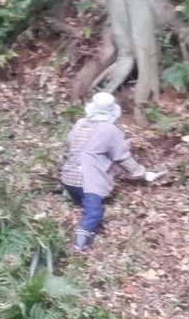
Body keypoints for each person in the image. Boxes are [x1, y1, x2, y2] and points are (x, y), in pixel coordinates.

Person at [59, 92, 161, 252]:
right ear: (113, 112)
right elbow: (123, 158)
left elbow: (71, 143)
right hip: (89, 182)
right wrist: (142, 173)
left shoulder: (80, 124)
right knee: (94, 213)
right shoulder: (110, 130)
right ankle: (80, 245)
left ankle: (78, 204)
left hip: (68, 177)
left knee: (82, 200)